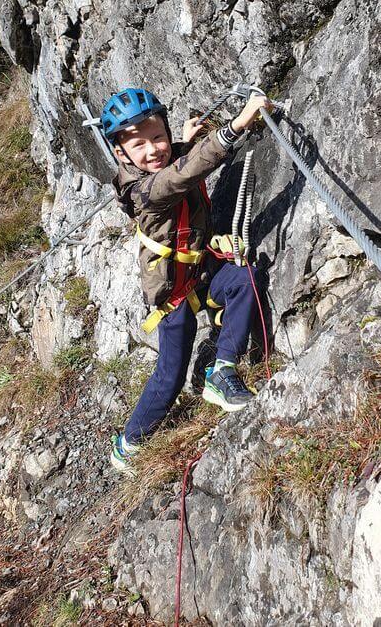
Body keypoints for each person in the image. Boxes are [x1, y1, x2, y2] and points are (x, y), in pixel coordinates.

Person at [102, 87, 273, 473]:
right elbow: (180, 176)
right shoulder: (142, 192)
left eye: (158, 137)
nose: (154, 150)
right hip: (172, 296)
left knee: (244, 279)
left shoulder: (163, 160)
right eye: (140, 144)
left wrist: (182, 139)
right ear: (121, 154)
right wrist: (236, 126)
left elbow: (177, 161)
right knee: (170, 376)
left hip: (198, 272)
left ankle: (222, 370)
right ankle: (128, 444)